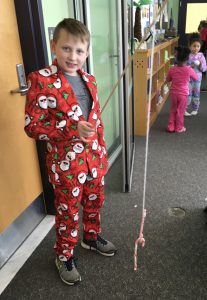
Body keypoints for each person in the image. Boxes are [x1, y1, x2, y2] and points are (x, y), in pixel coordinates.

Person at [24, 18, 117, 285]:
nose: (72, 56)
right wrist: (70, 129)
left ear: (86, 52)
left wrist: (101, 155)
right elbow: (33, 127)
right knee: (67, 212)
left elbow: (95, 120)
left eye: (79, 51)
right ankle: (64, 254)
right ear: (54, 46)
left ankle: (90, 237)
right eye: (66, 48)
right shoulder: (40, 80)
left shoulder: (90, 79)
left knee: (94, 203)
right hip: (66, 165)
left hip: (94, 160)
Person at [166, 46, 198, 133]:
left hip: (174, 93)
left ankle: (171, 126)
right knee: (180, 111)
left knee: (173, 109)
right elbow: (195, 77)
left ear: (176, 57)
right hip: (183, 95)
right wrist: (192, 67)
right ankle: (179, 127)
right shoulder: (189, 69)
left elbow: (168, 79)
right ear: (187, 59)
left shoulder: (172, 69)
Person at [184, 33, 207, 116]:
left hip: (198, 79)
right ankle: (184, 109)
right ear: (190, 46)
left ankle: (195, 108)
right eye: (194, 46)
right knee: (187, 94)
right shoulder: (187, 55)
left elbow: (204, 68)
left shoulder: (201, 56)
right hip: (189, 79)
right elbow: (184, 67)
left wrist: (200, 64)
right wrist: (191, 66)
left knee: (196, 94)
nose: (196, 48)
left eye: (198, 46)